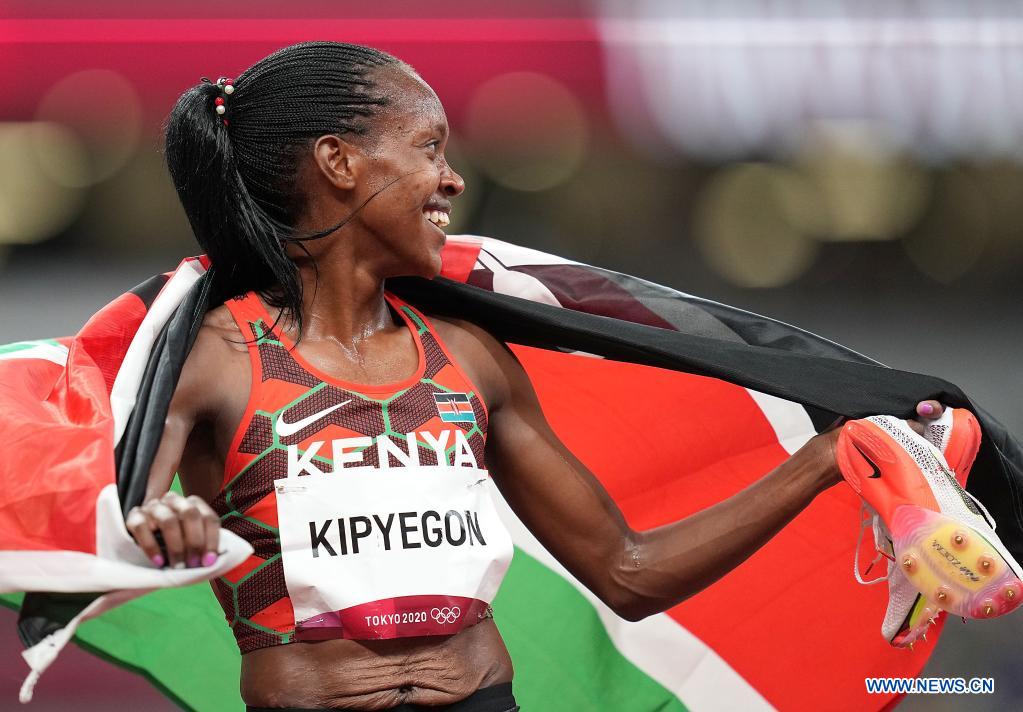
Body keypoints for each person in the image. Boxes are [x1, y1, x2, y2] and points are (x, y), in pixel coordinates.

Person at [126, 41, 948, 711]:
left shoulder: (470, 357)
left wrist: (823, 458)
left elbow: (625, 572)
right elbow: (99, 525)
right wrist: (157, 522)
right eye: (429, 147)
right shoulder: (208, 359)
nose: (452, 178)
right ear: (338, 161)